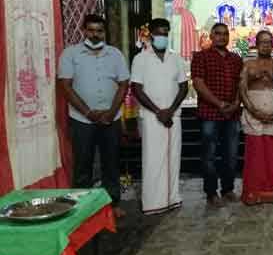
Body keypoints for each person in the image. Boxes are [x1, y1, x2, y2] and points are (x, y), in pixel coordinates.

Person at [58, 14, 129, 217]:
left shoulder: (115, 54)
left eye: (99, 31)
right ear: (84, 31)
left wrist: (112, 112)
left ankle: (112, 204)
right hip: (81, 120)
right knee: (83, 164)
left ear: (104, 32)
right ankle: (83, 208)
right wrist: (88, 112)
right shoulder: (70, 54)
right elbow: (65, 86)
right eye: (91, 30)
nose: (95, 35)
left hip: (111, 118)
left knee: (111, 163)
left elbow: (124, 84)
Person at [131, 18, 188, 215]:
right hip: (151, 117)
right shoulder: (141, 59)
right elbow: (137, 89)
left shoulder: (176, 58)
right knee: (153, 159)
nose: (162, 36)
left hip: (173, 116)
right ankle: (153, 202)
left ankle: (172, 198)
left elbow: (183, 87)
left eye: (165, 33)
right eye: (159, 33)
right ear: (151, 34)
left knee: (173, 157)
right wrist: (158, 111)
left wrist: (170, 110)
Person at [191, 23, 243, 208]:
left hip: (232, 114)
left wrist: (236, 103)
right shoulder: (201, 56)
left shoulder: (236, 59)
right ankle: (211, 193)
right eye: (218, 33)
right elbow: (198, 83)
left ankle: (228, 189)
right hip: (210, 113)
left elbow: (241, 84)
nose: (222, 37)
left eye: (225, 34)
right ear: (211, 36)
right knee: (209, 155)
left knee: (231, 154)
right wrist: (219, 103)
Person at [239, 30, 273, 205]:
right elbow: (242, 90)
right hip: (254, 116)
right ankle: (253, 192)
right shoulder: (248, 65)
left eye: (268, 42)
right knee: (255, 155)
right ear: (256, 45)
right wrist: (254, 111)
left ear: (272, 45)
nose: (265, 45)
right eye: (262, 42)